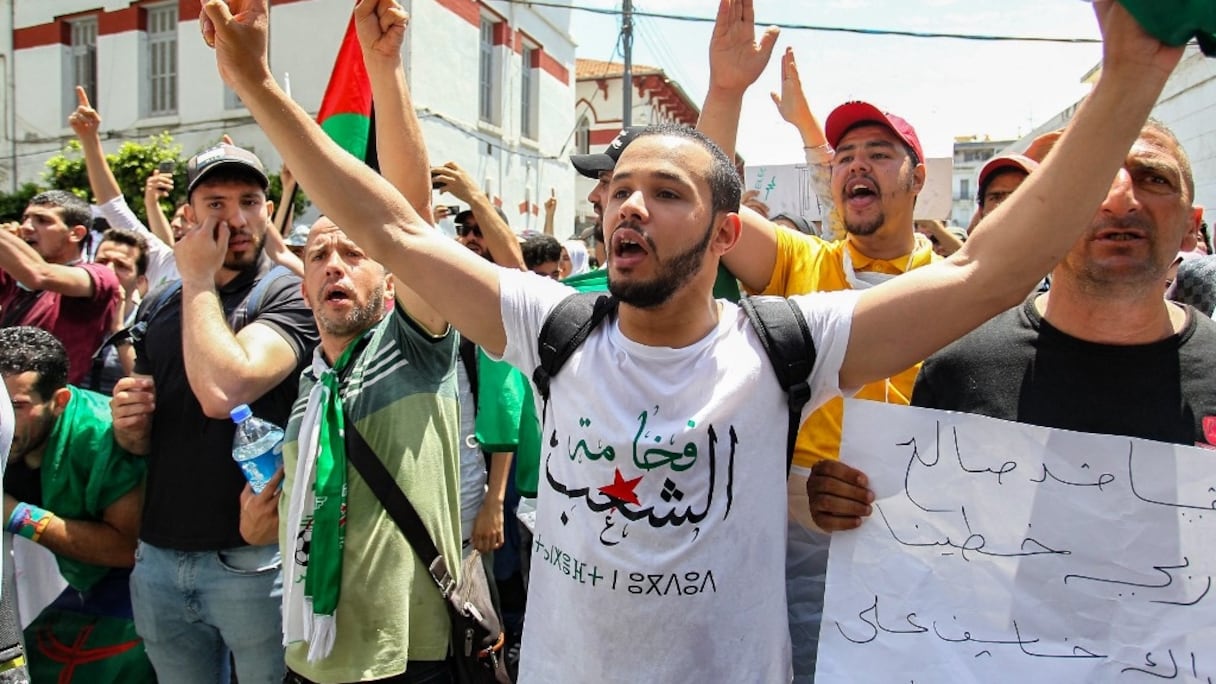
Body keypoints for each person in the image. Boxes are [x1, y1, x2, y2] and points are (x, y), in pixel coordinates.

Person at [201, 0, 1180, 680]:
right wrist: (258, 88)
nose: (629, 205)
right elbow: (398, 231)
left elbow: (984, 273)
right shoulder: (553, 326)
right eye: (618, 188)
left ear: (724, 236)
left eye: (665, 193)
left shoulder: (788, 344)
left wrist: (1130, 76)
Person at [814, 118, 1216, 538]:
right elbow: (915, 534)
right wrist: (853, 502)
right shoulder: (956, 367)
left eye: (1153, 177)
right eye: (1092, 175)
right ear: (1041, 216)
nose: (1120, 200)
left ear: (1193, 223)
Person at [695, 7, 942, 677]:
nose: (856, 166)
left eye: (880, 154)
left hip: (921, 541)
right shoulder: (802, 262)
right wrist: (725, 93)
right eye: (845, 157)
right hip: (794, 532)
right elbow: (706, 214)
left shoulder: (955, 287)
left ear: (918, 178)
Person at [108, 141, 318, 684]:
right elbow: (149, 439)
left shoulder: (288, 294)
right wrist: (131, 426)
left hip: (252, 563)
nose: (236, 219)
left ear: (268, 211)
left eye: (249, 201)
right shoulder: (160, 303)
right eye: (216, 203)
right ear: (190, 214)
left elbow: (225, 392)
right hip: (158, 556)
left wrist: (198, 278)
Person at [0, 326, 152, 682]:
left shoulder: (99, 435)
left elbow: (126, 549)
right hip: (31, 588)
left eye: (17, 407)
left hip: (118, 594)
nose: (3, 419)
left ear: (60, 400)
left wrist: (16, 514)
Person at [0, 190, 120, 387]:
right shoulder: (13, 275)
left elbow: (38, 275)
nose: (26, 227)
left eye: (42, 220)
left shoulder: (99, 275)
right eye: (25, 219)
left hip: (54, 410)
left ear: (76, 233)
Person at [67, 86, 179, 291]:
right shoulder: (164, 262)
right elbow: (113, 206)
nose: (180, 223)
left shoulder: (245, 273)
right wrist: (89, 138)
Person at [89, 227, 154, 394]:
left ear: (140, 281)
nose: (108, 271)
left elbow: (143, 386)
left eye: (121, 266)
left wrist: (118, 331)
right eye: (102, 262)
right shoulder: (71, 310)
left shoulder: (148, 324)